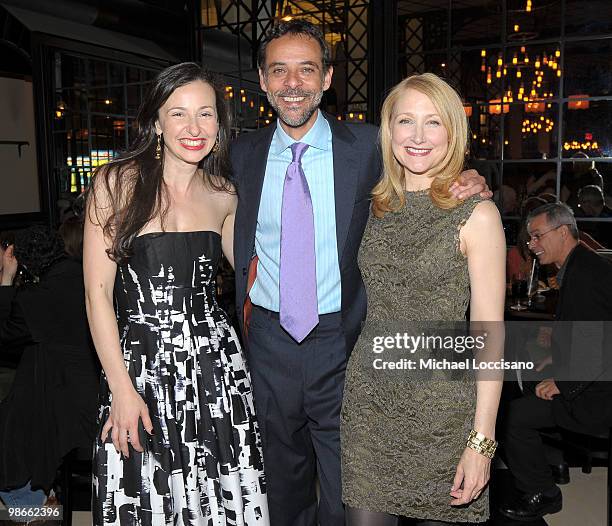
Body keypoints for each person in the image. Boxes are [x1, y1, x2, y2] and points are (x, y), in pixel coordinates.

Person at [230, 21, 490, 526]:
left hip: (345, 340)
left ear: (327, 77)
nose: (292, 83)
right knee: (281, 483)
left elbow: (430, 169)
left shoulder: (372, 146)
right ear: (262, 81)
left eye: (306, 69)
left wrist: (472, 180)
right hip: (267, 339)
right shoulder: (242, 154)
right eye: (279, 70)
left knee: (348, 488)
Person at [84, 63, 269, 525]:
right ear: (156, 122)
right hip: (140, 368)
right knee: (146, 496)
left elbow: (260, 275)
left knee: (219, 493)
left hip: (216, 370)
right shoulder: (115, 183)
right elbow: (96, 294)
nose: (194, 128)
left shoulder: (225, 193)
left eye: (206, 114)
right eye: (179, 114)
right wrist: (122, 388)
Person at [341, 73, 506, 525]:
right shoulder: (373, 204)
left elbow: (488, 334)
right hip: (369, 408)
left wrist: (482, 442)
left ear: (453, 132)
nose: (417, 136)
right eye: (405, 121)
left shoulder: (477, 213)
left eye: (433, 123)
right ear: (388, 129)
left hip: (444, 416)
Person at [500, 202, 612, 522]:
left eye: (537, 236)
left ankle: (544, 493)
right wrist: (556, 355)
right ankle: (556, 466)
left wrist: (563, 382)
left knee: (514, 416)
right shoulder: (581, 266)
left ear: (563, 232)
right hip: (592, 379)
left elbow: (599, 347)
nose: (531, 245)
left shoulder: (584, 276)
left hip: (598, 395)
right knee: (524, 387)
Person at [0, 225, 99, 509]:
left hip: (70, 408)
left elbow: (5, 336)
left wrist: (7, 277)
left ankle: (30, 507)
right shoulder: (85, 274)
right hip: (101, 391)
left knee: (12, 426)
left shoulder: (36, 298)